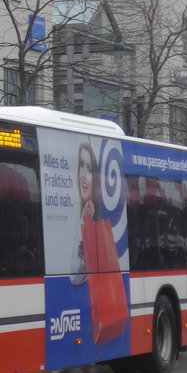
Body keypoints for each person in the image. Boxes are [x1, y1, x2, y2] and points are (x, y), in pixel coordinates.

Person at [76, 142, 128, 345]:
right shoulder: (75, 220)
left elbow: (76, 276)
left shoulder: (99, 226)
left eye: (90, 169)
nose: (84, 175)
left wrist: (85, 224)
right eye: (81, 165)